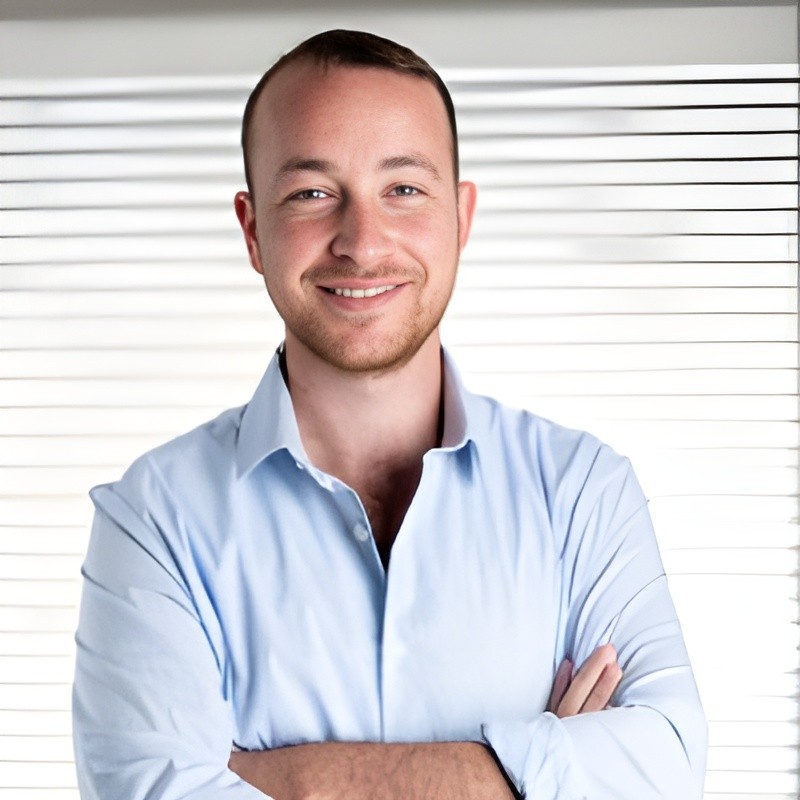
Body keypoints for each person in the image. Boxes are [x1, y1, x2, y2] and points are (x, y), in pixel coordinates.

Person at [72, 29, 707, 800]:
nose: (362, 242)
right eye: (312, 193)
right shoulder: (155, 516)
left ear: (461, 218)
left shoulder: (582, 491)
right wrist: (535, 769)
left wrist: (289, 779)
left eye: (403, 189)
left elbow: (665, 766)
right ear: (252, 231)